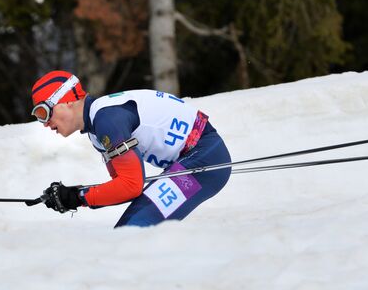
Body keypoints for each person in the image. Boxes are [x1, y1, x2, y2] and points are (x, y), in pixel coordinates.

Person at [31, 70, 231, 227]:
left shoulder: (106, 119)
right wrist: (74, 196)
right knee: (131, 234)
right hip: (200, 155)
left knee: (131, 232)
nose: (45, 123)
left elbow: (131, 186)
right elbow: (122, 186)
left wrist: (78, 197)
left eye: (44, 112)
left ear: (66, 100)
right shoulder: (96, 129)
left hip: (206, 158)